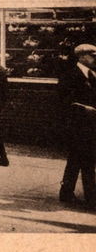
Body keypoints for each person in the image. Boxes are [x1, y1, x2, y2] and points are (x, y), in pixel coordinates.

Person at [57, 43, 96, 209]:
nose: (94, 59)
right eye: (92, 55)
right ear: (81, 56)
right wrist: (83, 108)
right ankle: (91, 197)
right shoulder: (70, 75)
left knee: (76, 159)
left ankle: (66, 192)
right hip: (77, 126)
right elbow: (63, 101)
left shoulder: (93, 75)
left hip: (90, 125)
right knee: (87, 160)